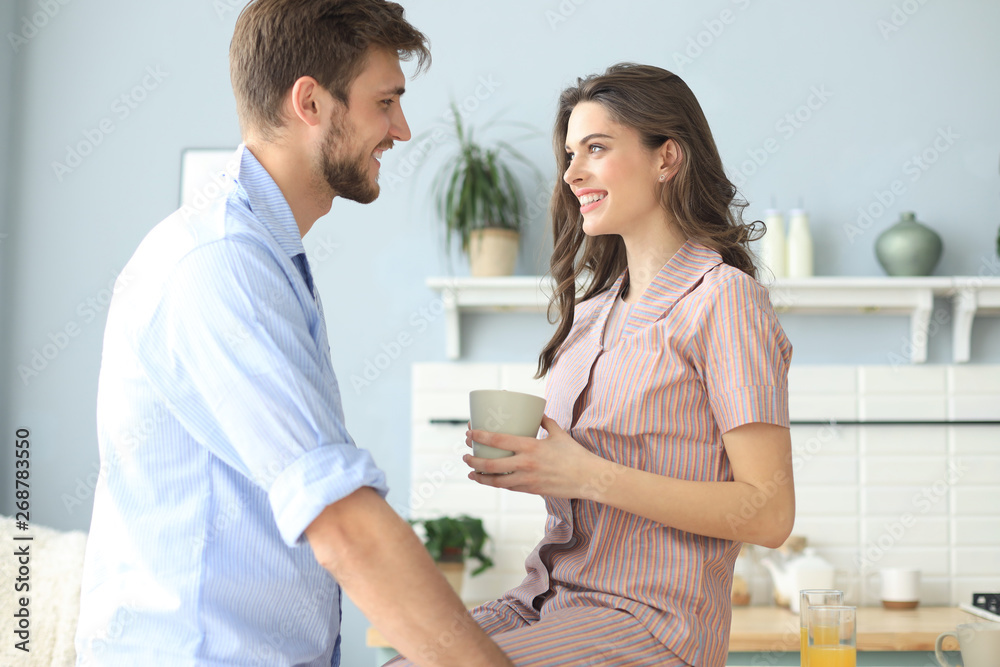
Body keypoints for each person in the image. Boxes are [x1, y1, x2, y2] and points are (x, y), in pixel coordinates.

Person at [74, 2, 513, 666]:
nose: (401, 127)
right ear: (310, 101)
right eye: (385, 101)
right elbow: (344, 524)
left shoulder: (261, 256)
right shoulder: (222, 265)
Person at [391, 63, 795, 667]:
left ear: (667, 158)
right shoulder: (590, 314)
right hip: (545, 599)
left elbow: (767, 512)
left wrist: (585, 475)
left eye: (597, 149)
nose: (573, 173)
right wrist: (535, 467)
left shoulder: (723, 299)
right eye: (570, 154)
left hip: (651, 625)